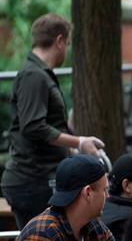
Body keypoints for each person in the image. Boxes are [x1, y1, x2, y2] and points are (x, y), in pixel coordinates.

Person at [1, 13, 105, 229]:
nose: (65, 49)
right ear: (59, 41)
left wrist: (72, 150)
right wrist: (79, 142)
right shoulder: (34, 75)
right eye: (66, 43)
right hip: (32, 179)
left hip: (37, 177)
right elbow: (33, 127)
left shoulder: (38, 74)